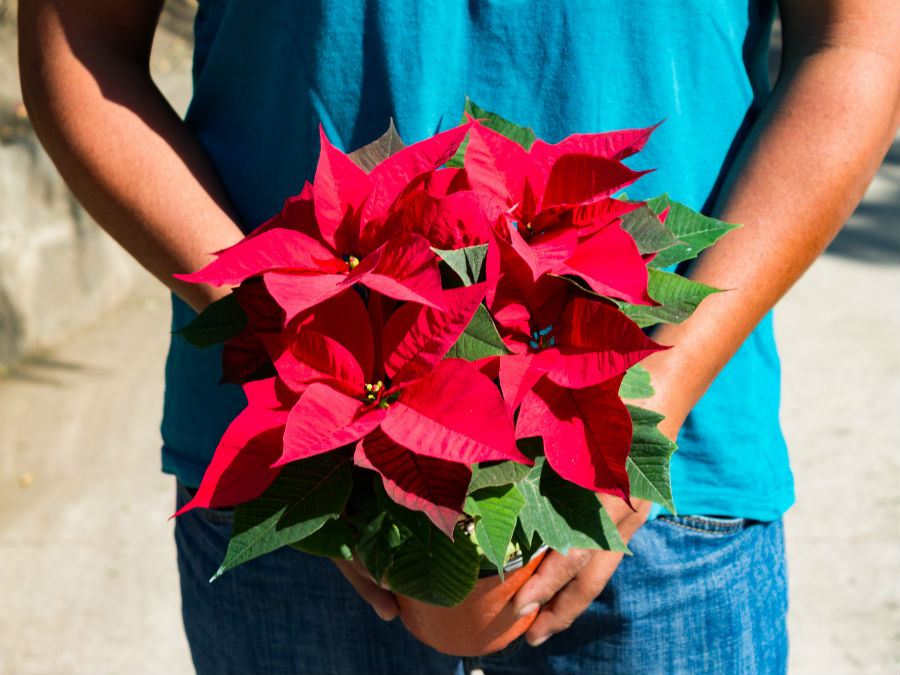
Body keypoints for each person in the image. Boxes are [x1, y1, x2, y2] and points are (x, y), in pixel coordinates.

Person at [18, 1, 900, 673]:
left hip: (663, 476)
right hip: (302, 474)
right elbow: (77, 44)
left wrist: (647, 403)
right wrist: (293, 344)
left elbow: (856, 45)